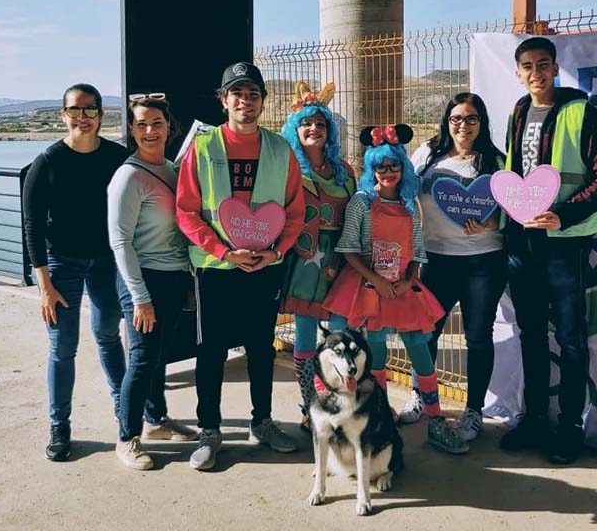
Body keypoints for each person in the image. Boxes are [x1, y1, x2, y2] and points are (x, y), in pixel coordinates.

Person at [176, 62, 305, 470]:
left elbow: (295, 213)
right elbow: (187, 212)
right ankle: (209, 430)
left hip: (264, 267)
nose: (245, 101)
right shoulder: (203, 147)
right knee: (210, 351)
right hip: (216, 269)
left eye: (253, 94)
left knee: (260, 348)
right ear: (223, 100)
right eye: (237, 93)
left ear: (263, 101)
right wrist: (224, 251)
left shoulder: (281, 150)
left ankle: (262, 422)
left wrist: (276, 252)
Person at [500, 36, 597, 464]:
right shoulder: (517, 111)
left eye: (543, 64)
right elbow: (514, 172)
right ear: (518, 73)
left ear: (555, 67)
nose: (536, 72)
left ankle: (570, 427)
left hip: (565, 245)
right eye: (528, 66)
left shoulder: (579, 112)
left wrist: (563, 216)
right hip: (523, 243)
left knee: (569, 338)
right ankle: (534, 418)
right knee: (531, 333)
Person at [323, 124, 469, 455]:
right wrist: (374, 280)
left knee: (420, 347)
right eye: (380, 166)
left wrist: (409, 279)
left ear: (403, 167)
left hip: (404, 288)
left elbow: (417, 249)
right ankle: (381, 418)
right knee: (375, 351)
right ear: (371, 168)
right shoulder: (362, 202)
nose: (388, 172)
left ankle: (435, 420)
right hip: (368, 288)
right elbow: (347, 247)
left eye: (394, 166)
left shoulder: (408, 203)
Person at [23, 83, 127, 461]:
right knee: (62, 347)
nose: (82, 118)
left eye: (90, 110)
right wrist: (44, 285)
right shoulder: (47, 163)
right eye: (75, 110)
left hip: (107, 261)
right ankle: (60, 425)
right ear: (63, 115)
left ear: (101, 115)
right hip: (62, 263)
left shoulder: (118, 157)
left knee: (108, 336)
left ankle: (124, 410)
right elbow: (32, 226)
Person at [403, 92, 507, 442]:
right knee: (425, 334)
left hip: (483, 262)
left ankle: (473, 411)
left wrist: (494, 224)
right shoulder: (427, 155)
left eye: (471, 119)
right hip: (437, 259)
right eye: (456, 119)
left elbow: (516, 212)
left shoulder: (495, 161)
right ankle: (422, 395)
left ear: (482, 123)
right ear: (447, 121)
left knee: (477, 338)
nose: (463, 125)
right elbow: (401, 192)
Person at [107, 94, 199, 470]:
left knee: (158, 354)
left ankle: (156, 421)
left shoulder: (172, 170)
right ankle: (127, 438)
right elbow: (120, 241)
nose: (149, 130)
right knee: (143, 358)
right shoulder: (127, 176)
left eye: (156, 123)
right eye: (141, 124)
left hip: (173, 277)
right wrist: (140, 297)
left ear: (168, 127)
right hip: (141, 281)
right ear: (132, 130)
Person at [277, 81, 356, 429]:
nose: (314, 129)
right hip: (304, 264)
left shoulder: (347, 172)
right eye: (307, 123)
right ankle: (312, 405)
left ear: (330, 130)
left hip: (341, 262)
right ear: (296, 129)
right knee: (306, 338)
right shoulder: (286, 170)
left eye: (321, 124)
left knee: (341, 336)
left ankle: (338, 400)